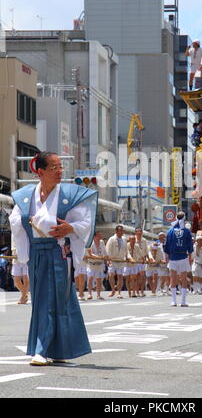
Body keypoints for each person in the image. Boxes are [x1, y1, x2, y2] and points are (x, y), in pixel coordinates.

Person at [9, 151, 97, 366]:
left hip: (59, 254)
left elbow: (85, 222)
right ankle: (55, 349)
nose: (59, 171)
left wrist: (70, 227)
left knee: (54, 301)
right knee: (43, 300)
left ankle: (43, 349)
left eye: (60, 167)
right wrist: (27, 223)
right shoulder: (25, 195)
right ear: (40, 172)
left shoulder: (69, 194)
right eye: (53, 168)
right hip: (37, 254)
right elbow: (14, 220)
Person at [164, 211, 193, 307]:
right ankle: (183, 301)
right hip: (183, 256)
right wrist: (190, 257)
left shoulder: (170, 230)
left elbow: (166, 245)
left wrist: (167, 256)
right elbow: (190, 246)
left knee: (173, 278)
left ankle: (173, 301)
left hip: (173, 257)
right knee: (183, 278)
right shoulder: (186, 231)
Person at [106, 225, 127, 299]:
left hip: (121, 260)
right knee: (111, 275)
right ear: (116, 231)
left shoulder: (124, 239)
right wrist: (108, 259)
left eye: (122, 231)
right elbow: (108, 249)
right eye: (120, 231)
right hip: (113, 260)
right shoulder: (111, 239)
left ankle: (119, 292)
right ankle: (113, 290)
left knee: (120, 276)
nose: (122, 232)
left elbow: (126, 250)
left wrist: (126, 257)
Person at [86, 231, 108, 300]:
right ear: (94, 236)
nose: (100, 236)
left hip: (99, 264)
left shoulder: (101, 242)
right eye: (98, 235)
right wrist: (99, 257)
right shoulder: (90, 243)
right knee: (90, 279)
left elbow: (105, 252)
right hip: (92, 264)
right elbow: (90, 254)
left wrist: (106, 258)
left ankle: (98, 295)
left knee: (99, 280)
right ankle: (89, 294)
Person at [11, 239, 29, 304]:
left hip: (25, 254)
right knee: (16, 279)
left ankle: (23, 297)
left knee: (25, 278)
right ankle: (24, 295)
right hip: (15, 255)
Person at [135, 227, 150, 297]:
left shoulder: (144, 240)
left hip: (142, 261)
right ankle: (137, 291)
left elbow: (147, 251)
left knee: (143, 276)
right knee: (136, 277)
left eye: (140, 232)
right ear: (135, 233)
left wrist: (149, 258)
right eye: (137, 232)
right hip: (135, 261)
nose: (139, 233)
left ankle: (142, 291)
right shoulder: (133, 239)